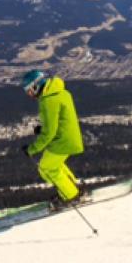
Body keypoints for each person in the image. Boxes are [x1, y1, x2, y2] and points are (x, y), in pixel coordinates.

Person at [20, 70, 85, 208]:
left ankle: (72, 196)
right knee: (54, 165)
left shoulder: (48, 100)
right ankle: (72, 188)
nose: (29, 94)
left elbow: (49, 133)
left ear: (37, 85)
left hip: (61, 142)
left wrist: (32, 149)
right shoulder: (61, 93)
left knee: (47, 169)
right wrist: (43, 129)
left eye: (29, 90)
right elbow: (60, 120)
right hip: (69, 138)